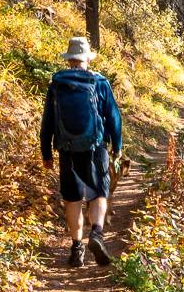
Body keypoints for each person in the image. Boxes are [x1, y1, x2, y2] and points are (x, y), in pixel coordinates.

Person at [40, 36, 123, 267]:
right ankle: (96, 233)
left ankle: (77, 249)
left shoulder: (57, 84)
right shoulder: (100, 82)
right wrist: (117, 146)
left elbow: (48, 121)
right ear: (87, 58)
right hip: (95, 148)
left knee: (72, 197)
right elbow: (114, 117)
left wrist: (46, 152)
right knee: (99, 192)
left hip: (66, 149)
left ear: (69, 60)